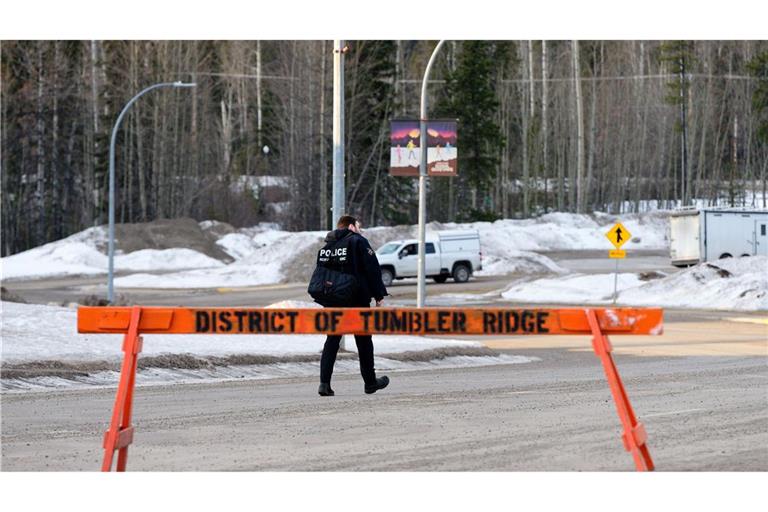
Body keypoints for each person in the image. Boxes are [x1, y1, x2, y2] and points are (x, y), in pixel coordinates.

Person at [315, 215, 390, 397]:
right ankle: (370, 383)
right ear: (351, 226)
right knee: (363, 341)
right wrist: (379, 294)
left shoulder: (327, 246)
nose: (360, 228)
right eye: (358, 225)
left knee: (332, 340)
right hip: (356, 299)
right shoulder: (357, 241)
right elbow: (372, 268)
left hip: (332, 299)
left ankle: (324, 384)